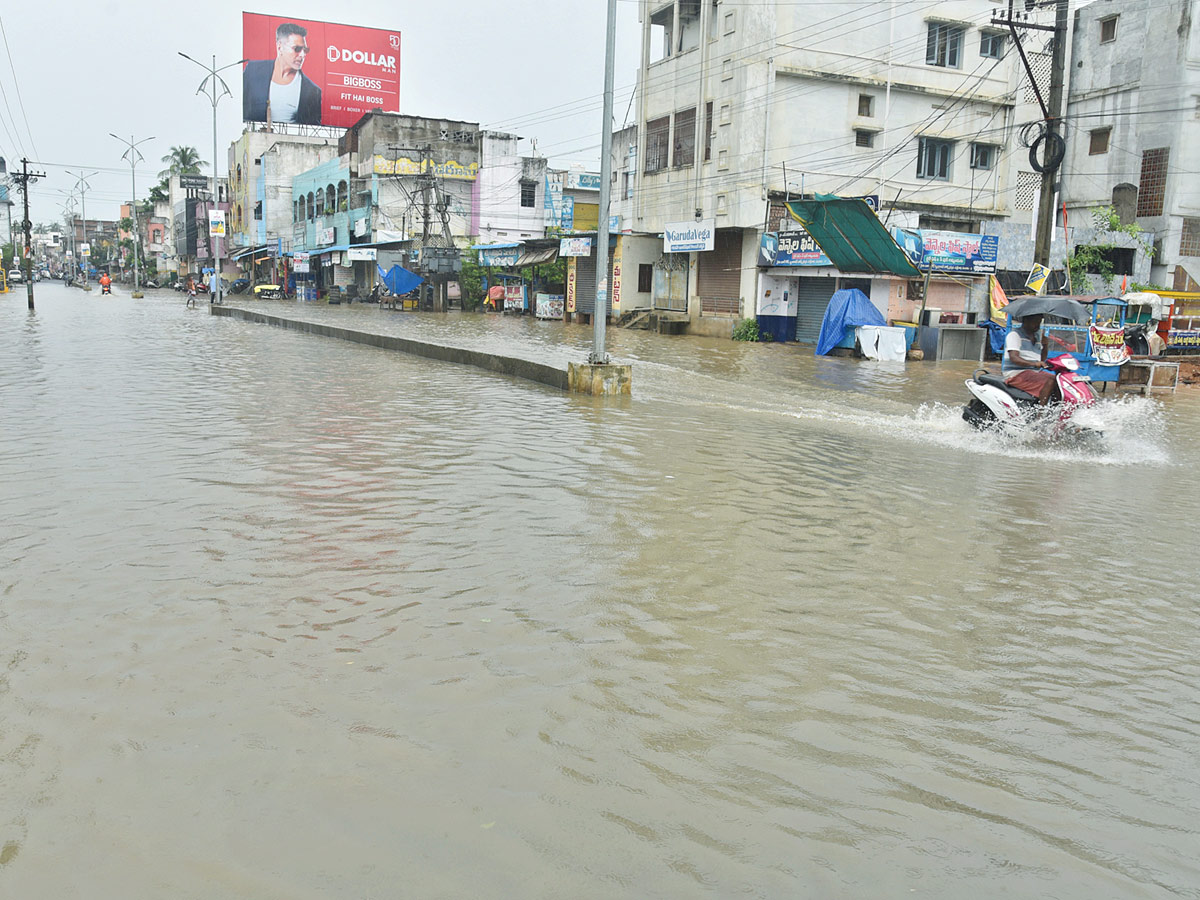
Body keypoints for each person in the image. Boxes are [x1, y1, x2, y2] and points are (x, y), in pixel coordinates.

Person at [243, 22, 322, 125]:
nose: (302, 55)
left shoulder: (312, 91)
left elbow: (312, 127)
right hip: (257, 136)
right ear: (280, 47)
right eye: (297, 49)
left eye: (305, 50)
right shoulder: (253, 71)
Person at [1002, 313, 1056, 401]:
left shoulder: (1038, 336)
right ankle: (1041, 412)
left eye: (1039, 322)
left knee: (1058, 380)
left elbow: (1042, 359)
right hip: (1016, 373)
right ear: (1026, 321)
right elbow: (1014, 358)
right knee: (1050, 381)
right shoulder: (1014, 335)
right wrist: (1034, 364)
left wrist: (1045, 345)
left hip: (1033, 372)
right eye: (1035, 322)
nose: (1037, 325)